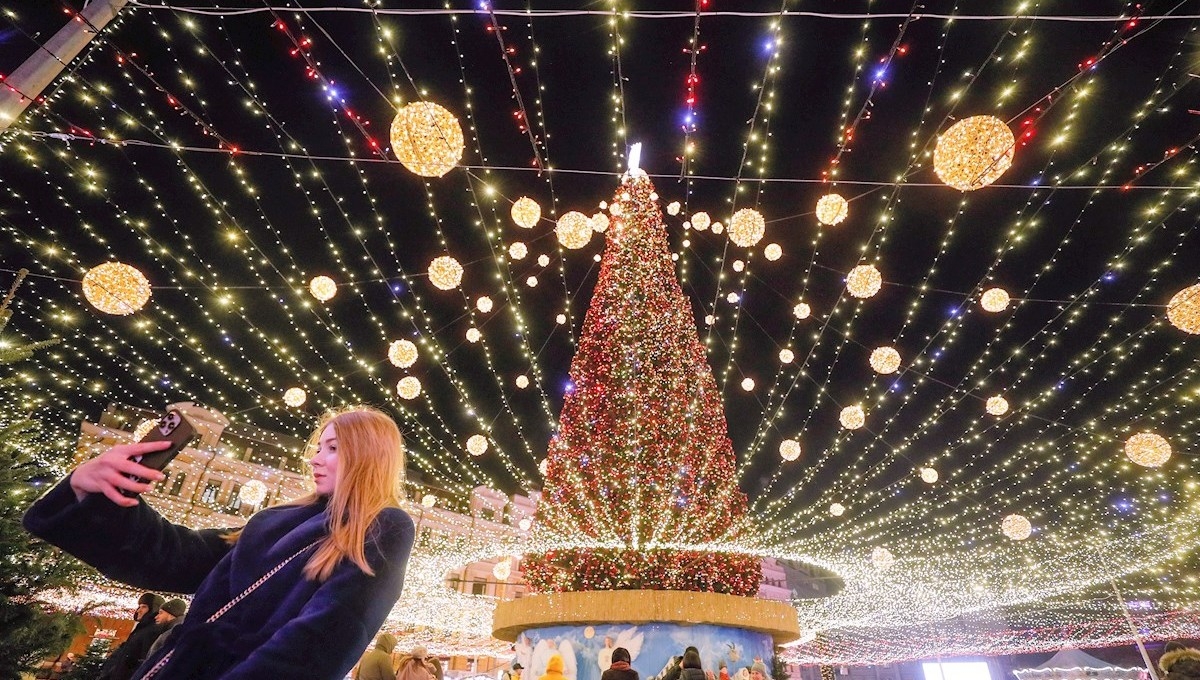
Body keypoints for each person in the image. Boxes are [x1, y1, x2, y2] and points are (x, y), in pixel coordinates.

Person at [23, 406, 416, 680]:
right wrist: (90, 491)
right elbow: (175, 555)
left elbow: (318, 644)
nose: (315, 458)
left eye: (333, 448)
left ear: (369, 457)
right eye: (317, 447)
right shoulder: (272, 521)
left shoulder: (383, 526)